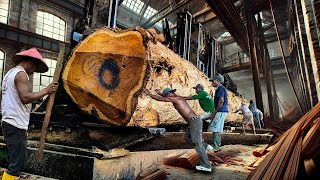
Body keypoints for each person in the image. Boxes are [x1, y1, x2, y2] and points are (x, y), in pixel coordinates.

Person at [1, 48, 58, 180]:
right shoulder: (21, 74)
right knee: (17, 163)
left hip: (11, 121)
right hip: (15, 123)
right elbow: (25, 97)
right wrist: (46, 90)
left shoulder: (10, 73)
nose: (32, 73)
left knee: (17, 160)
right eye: (34, 70)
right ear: (31, 63)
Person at [144, 88, 212, 172]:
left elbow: (162, 99)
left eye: (166, 95)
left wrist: (149, 94)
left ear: (169, 94)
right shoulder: (177, 97)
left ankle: (206, 165)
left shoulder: (174, 98)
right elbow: (165, 97)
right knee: (188, 139)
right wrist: (160, 93)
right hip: (193, 122)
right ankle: (206, 146)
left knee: (197, 143)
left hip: (194, 122)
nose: (166, 97)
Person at [203, 74, 228, 152]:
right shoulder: (219, 89)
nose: (212, 83)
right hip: (222, 111)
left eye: (213, 81)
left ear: (217, 81)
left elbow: (221, 101)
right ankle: (217, 145)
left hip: (220, 111)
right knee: (218, 129)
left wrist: (215, 111)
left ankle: (215, 146)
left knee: (215, 129)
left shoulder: (220, 88)